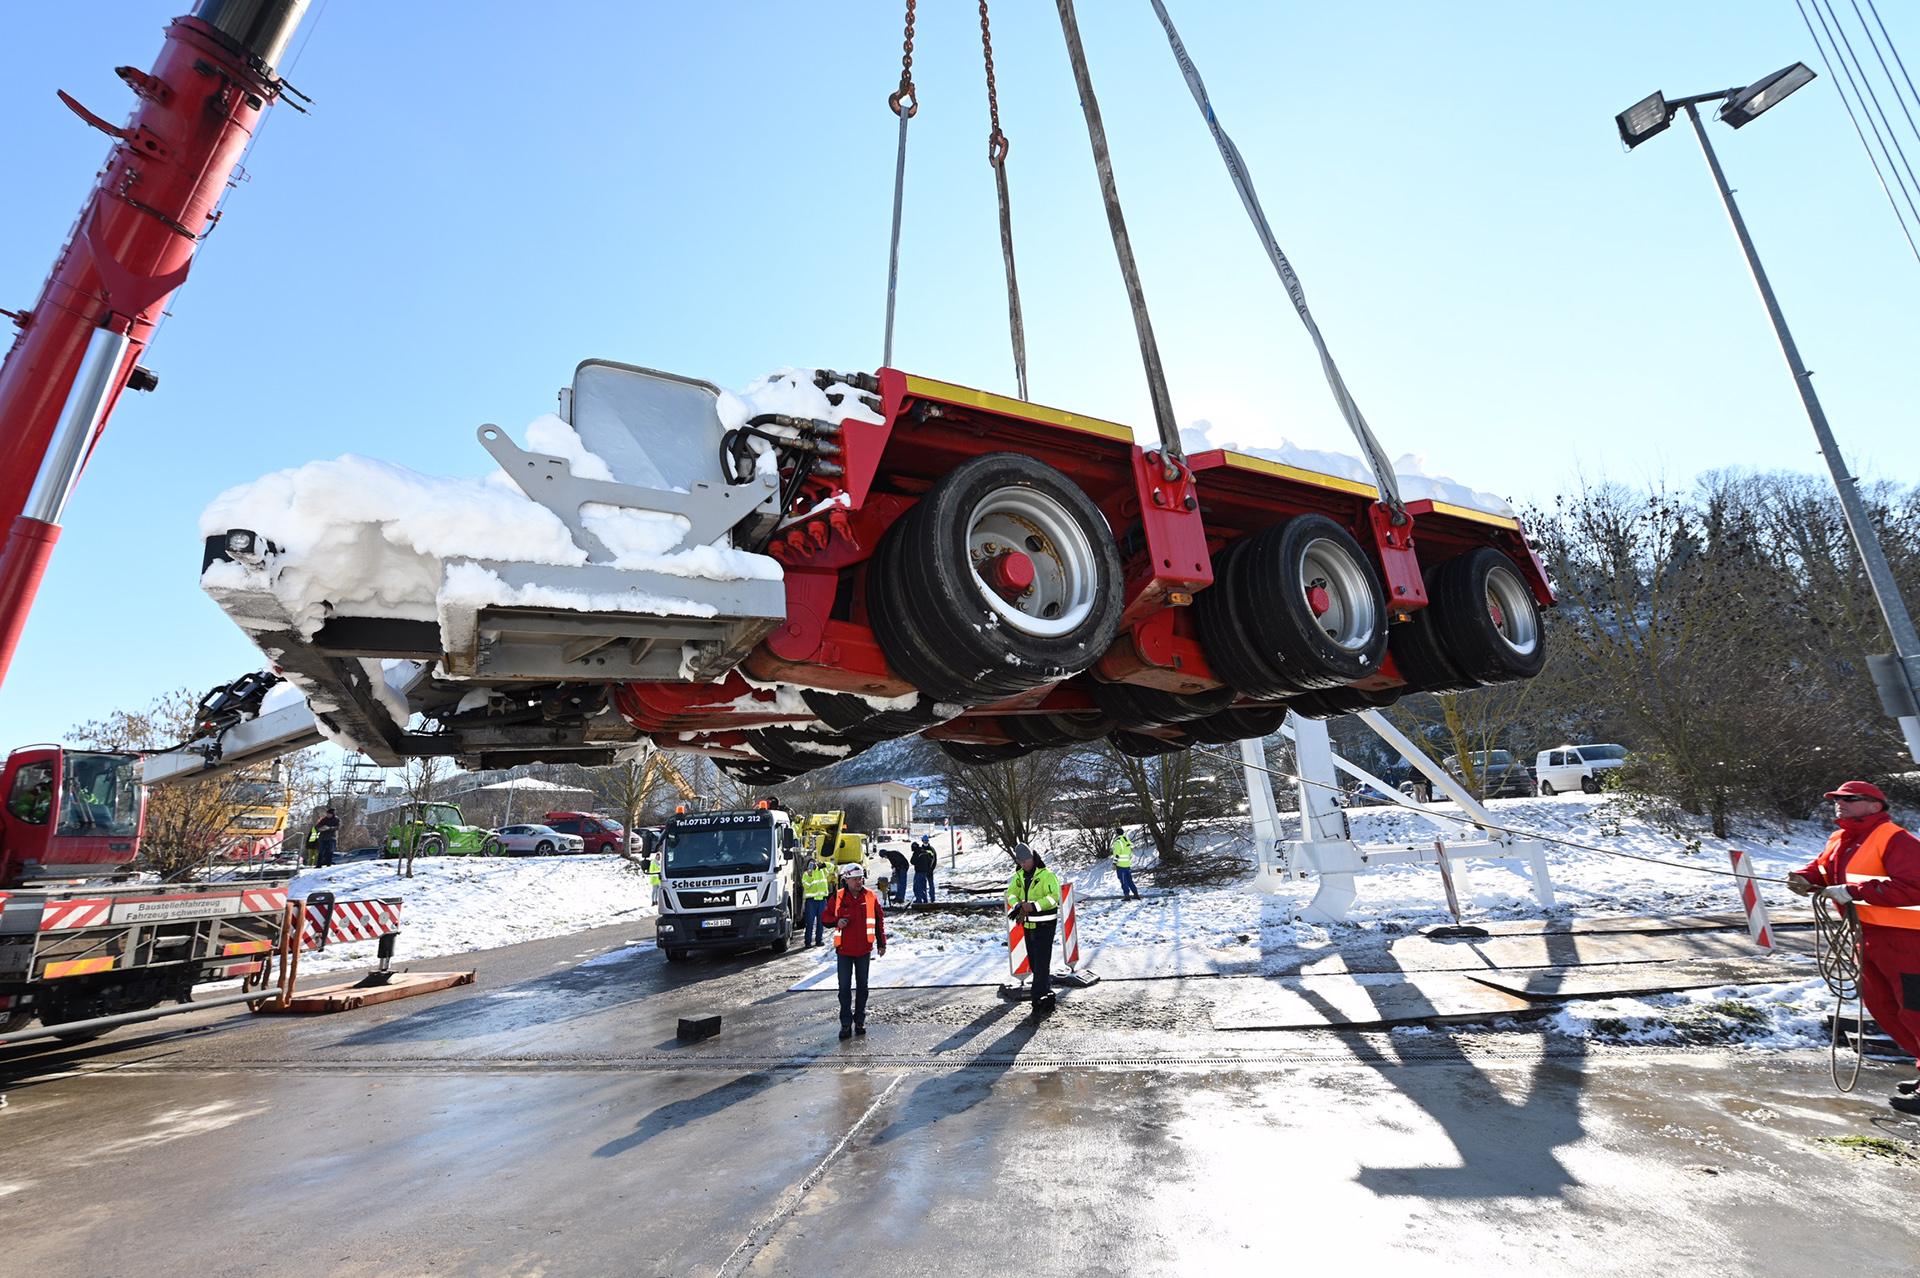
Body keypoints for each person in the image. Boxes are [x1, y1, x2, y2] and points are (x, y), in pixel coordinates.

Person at [1787, 780, 1920, 1115]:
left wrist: (1856, 892)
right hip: (1870, 938)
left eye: (1849, 799)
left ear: (1874, 805)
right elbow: (1822, 869)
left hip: (1909, 942)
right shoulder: (1841, 839)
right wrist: (1806, 878)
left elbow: (1915, 886)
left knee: (1916, 1012)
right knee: (1886, 1009)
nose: (1839, 803)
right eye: (1836, 799)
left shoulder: (1895, 839)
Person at [821, 862, 887, 1039]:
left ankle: (859, 1021)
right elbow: (825, 918)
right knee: (844, 989)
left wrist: (882, 943)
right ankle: (845, 1024)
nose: (859, 882)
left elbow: (879, 921)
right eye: (856, 879)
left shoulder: (870, 896)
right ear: (847, 880)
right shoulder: (839, 897)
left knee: (862, 987)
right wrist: (837, 921)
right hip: (844, 951)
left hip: (864, 950)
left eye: (861, 879)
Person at [1006, 843, 1062, 1017]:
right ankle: (1045, 994)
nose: (1024, 864)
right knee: (1035, 964)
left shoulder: (1047, 875)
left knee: (1041, 963)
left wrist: (1034, 906)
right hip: (1029, 926)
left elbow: (1054, 898)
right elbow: (1011, 893)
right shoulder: (1019, 876)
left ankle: (1037, 999)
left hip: (1045, 926)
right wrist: (1016, 904)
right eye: (1021, 862)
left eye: (1026, 861)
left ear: (1033, 858)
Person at [801, 856, 832, 947]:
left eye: (813, 863)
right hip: (811, 901)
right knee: (809, 923)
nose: (812, 865)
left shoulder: (822, 871)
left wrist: (824, 864)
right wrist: (810, 875)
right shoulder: (806, 874)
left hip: (822, 900)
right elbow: (806, 886)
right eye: (810, 864)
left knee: (820, 922)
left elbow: (832, 868)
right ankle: (808, 942)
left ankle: (819, 941)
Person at [1111, 827, 1140, 900]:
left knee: (1124, 881)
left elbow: (1116, 854)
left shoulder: (1118, 842)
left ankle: (1127, 896)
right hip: (1127, 865)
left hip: (1121, 865)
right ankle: (1135, 894)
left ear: (1117, 834)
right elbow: (1130, 854)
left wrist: (1114, 863)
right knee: (1130, 880)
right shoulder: (1126, 840)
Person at [910, 838, 937, 904]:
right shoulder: (924, 851)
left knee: (917, 886)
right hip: (926, 871)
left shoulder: (917, 852)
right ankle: (926, 899)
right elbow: (931, 860)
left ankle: (919, 900)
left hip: (919, 871)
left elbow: (912, 861)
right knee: (924, 885)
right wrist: (929, 869)